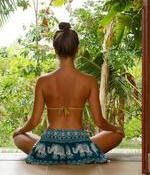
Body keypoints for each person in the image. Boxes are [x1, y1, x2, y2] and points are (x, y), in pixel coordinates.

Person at [12, 22, 124, 165]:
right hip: (81, 148)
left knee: (19, 136)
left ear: (55, 50)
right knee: (116, 135)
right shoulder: (89, 81)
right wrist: (116, 128)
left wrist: (19, 130)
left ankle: (46, 154)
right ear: (77, 50)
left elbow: (34, 122)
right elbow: (99, 122)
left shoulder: (43, 81)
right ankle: (82, 156)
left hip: (48, 149)